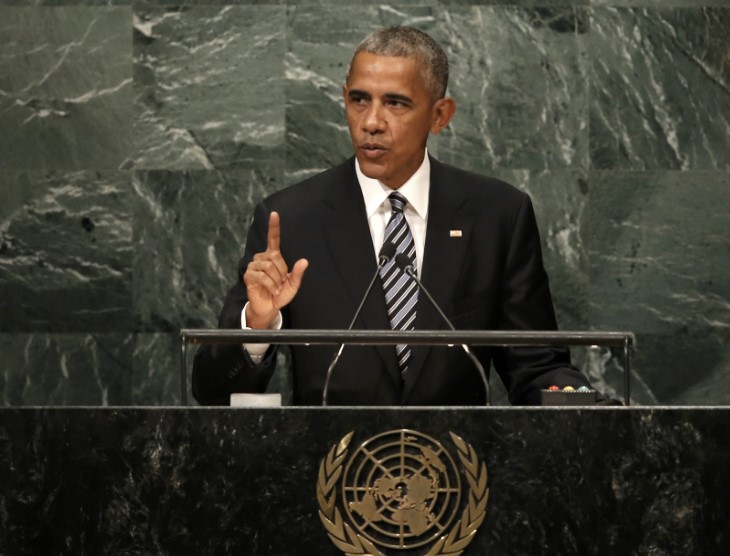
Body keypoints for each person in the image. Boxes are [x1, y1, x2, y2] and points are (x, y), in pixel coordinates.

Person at [192, 26, 590, 406]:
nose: (371, 123)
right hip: (330, 466)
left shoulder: (497, 215)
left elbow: (538, 365)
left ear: (440, 115)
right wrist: (257, 327)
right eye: (359, 100)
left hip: (457, 467)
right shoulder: (292, 220)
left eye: (395, 103)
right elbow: (211, 392)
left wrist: (583, 406)